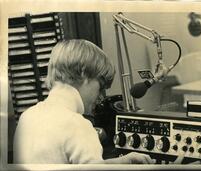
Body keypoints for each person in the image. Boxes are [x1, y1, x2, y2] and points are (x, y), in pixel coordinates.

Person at [13, 39, 186, 164]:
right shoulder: (77, 125)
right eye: (101, 85)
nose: (101, 96)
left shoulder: (28, 117)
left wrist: (122, 163)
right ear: (83, 74)